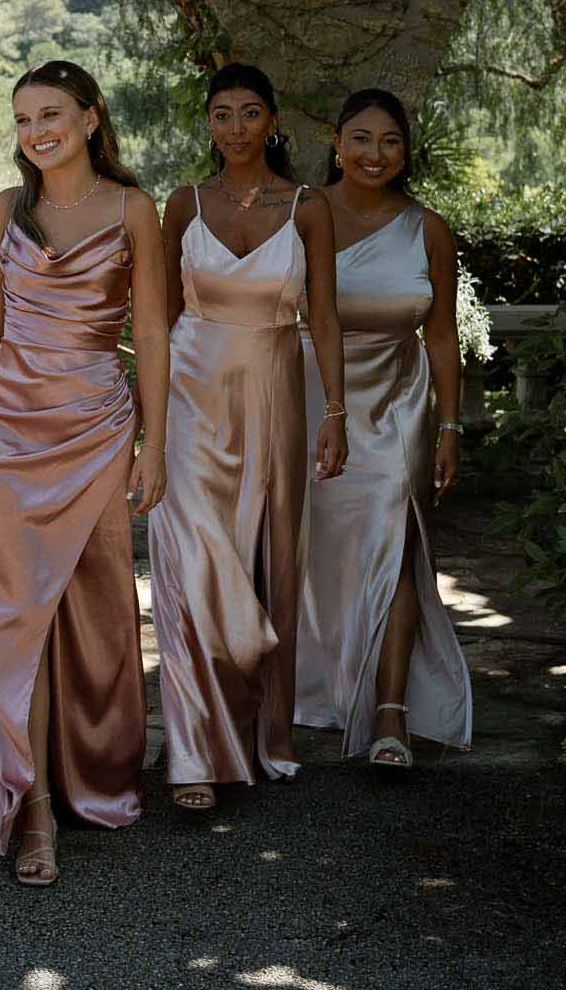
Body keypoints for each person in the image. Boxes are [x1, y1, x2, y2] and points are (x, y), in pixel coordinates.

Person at [0, 60, 169, 886]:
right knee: (11, 618)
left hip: (98, 429)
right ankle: (30, 807)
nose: (36, 132)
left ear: (93, 117)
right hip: (8, 432)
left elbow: (158, 337)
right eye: (23, 118)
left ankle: (94, 775)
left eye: (52, 114)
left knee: (99, 613)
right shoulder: (8, 208)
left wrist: (155, 442)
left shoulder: (136, 209)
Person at [149, 62, 347, 813]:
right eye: (221, 115)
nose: (235, 128)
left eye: (249, 113)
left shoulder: (309, 207)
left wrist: (336, 410)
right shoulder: (182, 203)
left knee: (269, 554)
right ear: (208, 124)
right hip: (190, 396)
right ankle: (195, 741)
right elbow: (160, 320)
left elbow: (323, 317)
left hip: (273, 389)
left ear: (273, 123)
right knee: (192, 553)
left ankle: (265, 726)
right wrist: (147, 417)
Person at [295, 89, 473, 766]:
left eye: (390, 140)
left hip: (399, 403)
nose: (375, 153)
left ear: (406, 151)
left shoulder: (428, 228)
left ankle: (391, 708)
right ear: (337, 143)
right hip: (311, 397)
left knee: (396, 545)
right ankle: (314, 682)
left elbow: (443, 337)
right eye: (361, 138)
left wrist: (450, 423)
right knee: (314, 549)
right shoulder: (302, 212)